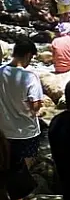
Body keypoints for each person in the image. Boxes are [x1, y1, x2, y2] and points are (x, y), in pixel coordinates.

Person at [0, 39, 42, 200]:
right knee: (23, 172)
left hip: (3, 131)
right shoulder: (29, 76)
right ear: (27, 55)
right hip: (26, 132)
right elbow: (36, 106)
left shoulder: (0, 71)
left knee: (4, 169)